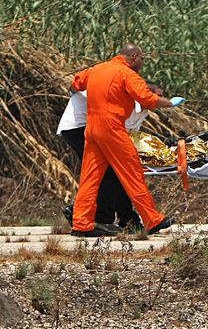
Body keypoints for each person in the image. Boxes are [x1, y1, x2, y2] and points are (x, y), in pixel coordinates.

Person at [70, 43, 184, 237]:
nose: (143, 62)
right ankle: (152, 219)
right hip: (112, 128)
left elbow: (75, 83)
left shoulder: (97, 69)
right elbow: (148, 99)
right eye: (142, 58)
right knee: (132, 171)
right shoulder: (127, 74)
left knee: (90, 177)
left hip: (92, 128)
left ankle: (81, 223)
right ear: (134, 57)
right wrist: (169, 103)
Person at [57, 84, 162, 230]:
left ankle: (122, 218)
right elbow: (120, 130)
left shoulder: (139, 106)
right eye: (156, 97)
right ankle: (104, 218)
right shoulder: (129, 101)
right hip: (79, 126)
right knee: (109, 173)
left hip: (88, 125)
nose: (159, 101)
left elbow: (129, 133)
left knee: (110, 173)